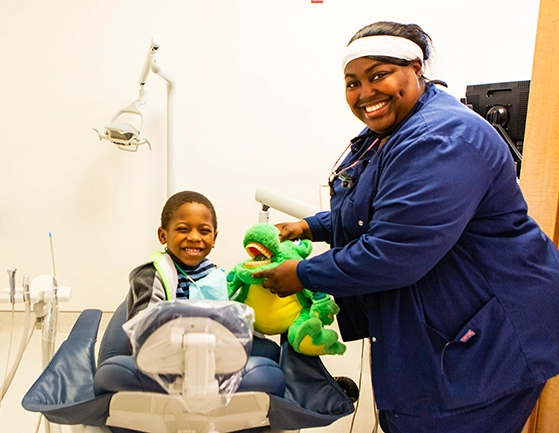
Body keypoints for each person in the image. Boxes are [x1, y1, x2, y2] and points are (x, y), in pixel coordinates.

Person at [252, 21, 559, 433]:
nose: (365, 94)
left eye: (378, 75)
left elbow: (393, 251)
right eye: (352, 83)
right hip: (439, 323)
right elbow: (376, 209)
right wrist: (310, 227)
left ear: (415, 66)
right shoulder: (390, 132)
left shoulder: (442, 138)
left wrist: (302, 274)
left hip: (485, 342)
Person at [125, 190, 228, 320]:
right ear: (163, 236)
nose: (194, 237)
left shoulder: (211, 271)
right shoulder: (152, 275)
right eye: (183, 229)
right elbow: (144, 327)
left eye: (204, 231)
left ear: (214, 238)